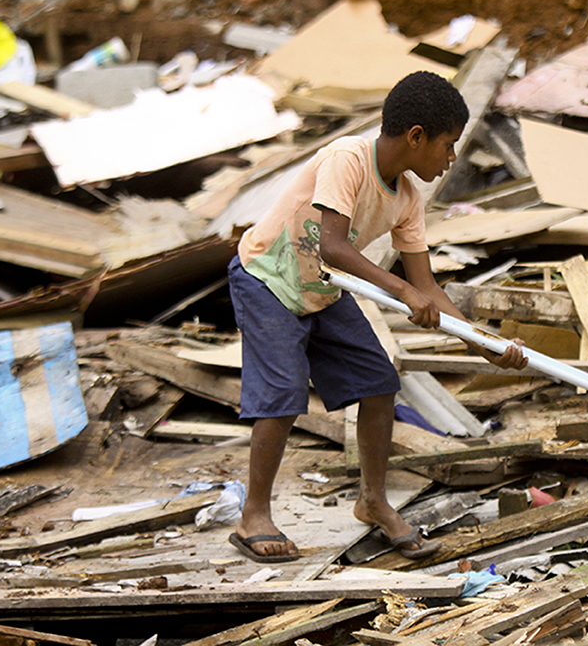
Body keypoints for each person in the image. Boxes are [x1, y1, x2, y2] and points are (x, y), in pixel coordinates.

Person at [226, 70, 528, 563]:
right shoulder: (348, 158)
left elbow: (427, 287)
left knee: (378, 380)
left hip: (322, 289)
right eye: (448, 145)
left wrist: (484, 345)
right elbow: (333, 245)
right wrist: (403, 291)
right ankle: (253, 515)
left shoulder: (409, 200)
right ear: (415, 137)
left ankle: (372, 500)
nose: (452, 157)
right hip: (267, 278)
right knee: (281, 393)